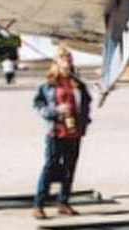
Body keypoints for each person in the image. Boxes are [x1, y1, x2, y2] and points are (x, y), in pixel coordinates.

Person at [31, 48, 90, 219]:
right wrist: (54, 111)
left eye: (69, 57)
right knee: (50, 168)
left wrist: (84, 121)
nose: (67, 59)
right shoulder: (48, 84)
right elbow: (38, 105)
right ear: (56, 61)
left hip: (74, 132)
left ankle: (64, 202)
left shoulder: (77, 83)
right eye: (63, 57)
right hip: (56, 131)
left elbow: (86, 103)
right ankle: (38, 204)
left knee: (70, 168)